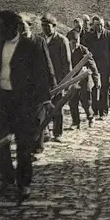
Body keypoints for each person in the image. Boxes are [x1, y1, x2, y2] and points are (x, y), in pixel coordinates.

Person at [0, 10, 54, 202]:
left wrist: (45, 101)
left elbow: (42, 73)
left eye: (0, 27)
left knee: (23, 144)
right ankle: (6, 176)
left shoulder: (30, 45)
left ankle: (24, 182)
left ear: (12, 27)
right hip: (2, 100)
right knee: (0, 140)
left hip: (23, 103)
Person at [18, 13, 56, 155]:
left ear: (29, 26)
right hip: (23, 87)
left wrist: (53, 82)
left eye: (22, 25)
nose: (19, 28)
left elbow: (48, 63)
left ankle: (38, 146)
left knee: (39, 118)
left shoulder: (39, 41)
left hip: (39, 86)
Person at [41, 14, 72, 142]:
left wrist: (66, 82)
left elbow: (67, 63)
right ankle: (45, 132)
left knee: (57, 107)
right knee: (43, 107)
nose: (45, 29)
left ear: (54, 26)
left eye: (47, 26)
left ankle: (58, 133)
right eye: (43, 26)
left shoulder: (61, 40)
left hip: (58, 80)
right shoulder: (39, 39)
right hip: (43, 79)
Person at [83, 16, 110, 119]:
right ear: (94, 25)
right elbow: (85, 50)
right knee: (93, 89)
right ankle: (95, 111)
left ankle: (104, 112)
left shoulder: (109, 35)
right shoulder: (89, 36)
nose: (100, 27)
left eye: (102, 25)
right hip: (93, 67)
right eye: (98, 25)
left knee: (104, 89)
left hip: (105, 67)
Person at [67, 31, 100, 129]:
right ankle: (75, 122)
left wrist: (96, 80)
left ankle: (90, 118)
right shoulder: (66, 50)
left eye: (77, 41)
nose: (75, 44)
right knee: (73, 102)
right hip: (71, 80)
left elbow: (93, 66)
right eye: (73, 42)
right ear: (69, 41)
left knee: (86, 101)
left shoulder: (83, 50)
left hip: (84, 80)